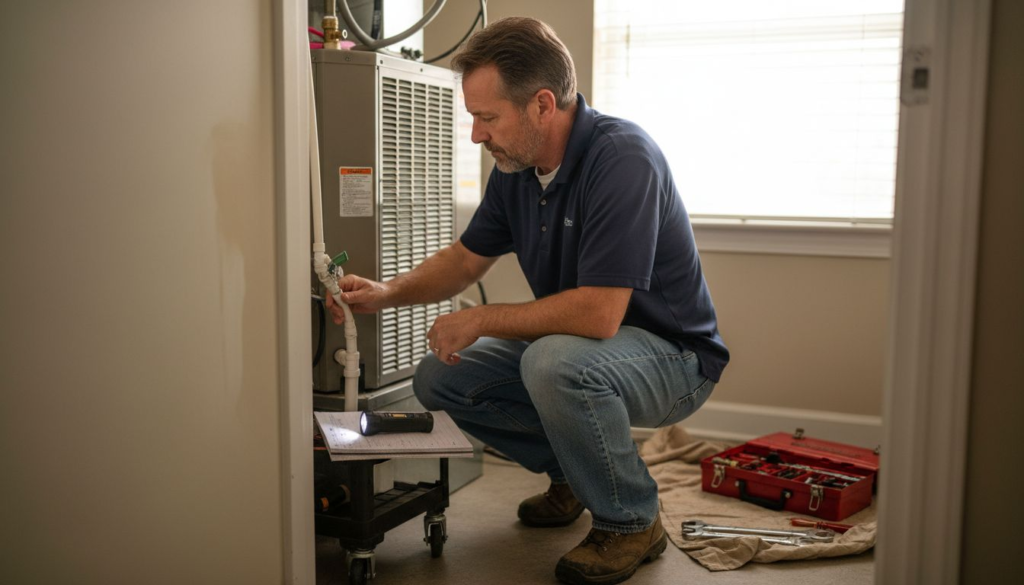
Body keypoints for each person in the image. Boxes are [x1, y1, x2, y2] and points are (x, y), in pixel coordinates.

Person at [326, 16, 729, 585]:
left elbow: (598, 314)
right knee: (441, 378)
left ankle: (631, 520)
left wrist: (482, 316)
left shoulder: (623, 159)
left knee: (553, 361)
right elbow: (466, 259)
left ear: (543, 104)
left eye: (486, 118)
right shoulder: (517, 169)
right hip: (589, 350)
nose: (476, 136)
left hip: (675, 358)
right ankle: (576, 474)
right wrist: (387, 293)